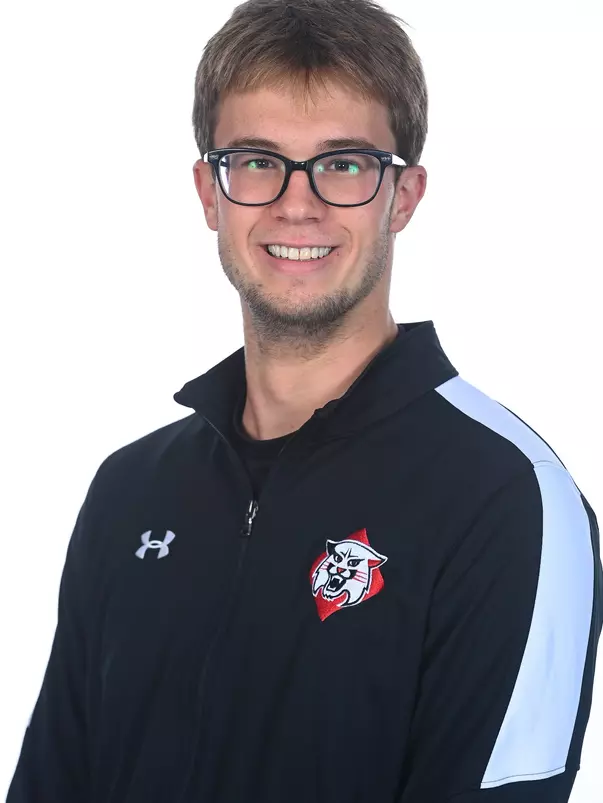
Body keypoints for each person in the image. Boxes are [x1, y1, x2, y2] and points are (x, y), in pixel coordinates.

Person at [7, 0, 602, 801]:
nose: (297, 203)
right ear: (209, 193)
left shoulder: (507, 496)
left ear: (404, 197)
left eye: (344, 164)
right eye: (257, 160)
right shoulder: (128, 490)